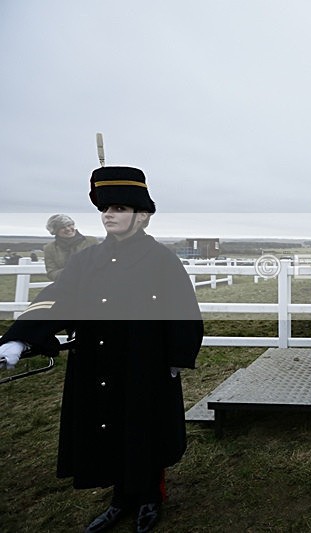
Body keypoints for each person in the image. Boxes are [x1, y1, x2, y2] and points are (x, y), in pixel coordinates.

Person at [0, 166, 203, 532]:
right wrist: (19, 336)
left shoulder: (162, 260)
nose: (109, 214)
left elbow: (184, 311)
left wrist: (177, 357)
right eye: (105, 208)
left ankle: (149, 497)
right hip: (96, 361)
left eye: (120, 208)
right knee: (107, 428)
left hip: (144, 362)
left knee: (143, 429)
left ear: (142, 217)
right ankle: (120, 499)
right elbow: (57, 297)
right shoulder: (87, 259)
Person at [43, 213, 99, 281]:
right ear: (55, 231)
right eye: (62, 227)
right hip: (66, 287)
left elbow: (101, 263)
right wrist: (70, 271)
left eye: (69, 225)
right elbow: (51, 273)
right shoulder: (50, 248)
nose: (68, 229)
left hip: (91, 284)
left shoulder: (91, 241)